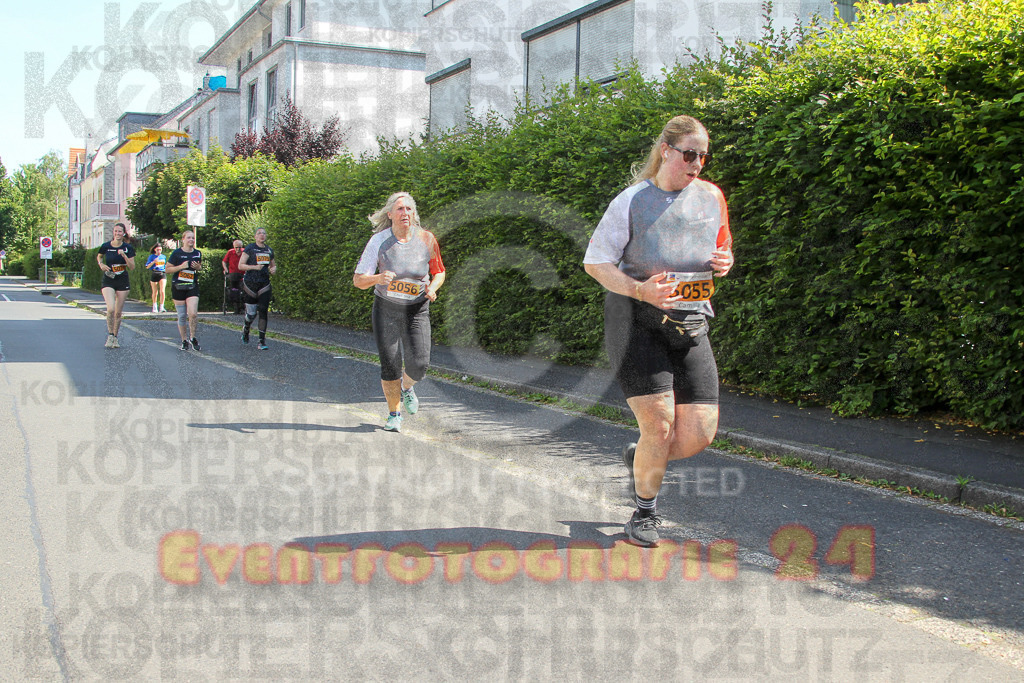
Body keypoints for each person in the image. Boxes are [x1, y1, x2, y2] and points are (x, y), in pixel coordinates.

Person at [583, 115, 734, 547]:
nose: (697, 163)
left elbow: (723, 249)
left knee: (699, 434)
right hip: (634, 321)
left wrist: (726, 262)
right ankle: (644, 514)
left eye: (703, 155)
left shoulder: (711, 197)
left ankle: (641, 456)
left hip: (691, 322)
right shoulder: (631, 201)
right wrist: (639, 290)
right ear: (666, 151)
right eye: (689, 153)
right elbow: (595, 263)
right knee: (661, 425)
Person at [353, 192, 446, 433]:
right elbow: (358, 281)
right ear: (390, 214)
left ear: (414, 214)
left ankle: (407, 388)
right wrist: (378, 278)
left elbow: (439, 272)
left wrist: (433, 288)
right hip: (387, 309)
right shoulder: (378, 242)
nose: (405, 213)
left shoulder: (427, 239)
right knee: (390, 365)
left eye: (409, 209)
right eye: (400, 209)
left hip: (416, 308)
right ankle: (394, 414)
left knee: (420, 363)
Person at [96, 222, 136, 348]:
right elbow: (99, 257)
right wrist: (101, 264)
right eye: (116, 231)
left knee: (118, 312)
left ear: (124, 233)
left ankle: (115, 337)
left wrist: (124, 256)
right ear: (113, 232)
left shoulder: (128, 248)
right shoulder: (106, 246)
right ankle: (109, 335)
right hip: (109, 279)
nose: (118, 234)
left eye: (120, 231)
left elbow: (132, 267)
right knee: (111, 309)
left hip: (122, 280)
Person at [238, 228, 276, 350]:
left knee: (264, 310)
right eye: (259, 233)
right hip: (250, 284)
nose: (262, 235)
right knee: (251, 314)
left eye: (264, 233)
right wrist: (254, 267)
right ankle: (246, 328)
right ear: (255, 236)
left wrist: (274, 269)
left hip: (264, 284)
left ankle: (261, 341)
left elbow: (273, 265)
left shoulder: (269, 250)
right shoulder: (250, 248)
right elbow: (241, 265)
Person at [165, 229, 203, 351]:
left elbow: (199, 267)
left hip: (192, 286)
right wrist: (181, 267)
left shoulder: (197, 253)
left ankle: (193, 337)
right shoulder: (176, 253)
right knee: (182, 315)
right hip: (178, 286)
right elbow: (167, 269)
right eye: (189, 238)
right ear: (183, 240)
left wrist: (198, 268)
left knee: (193, 314)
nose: (191, 240)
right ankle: (184, 340)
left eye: (193, 238)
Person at [222, 239, 245, 314]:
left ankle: (243, 307)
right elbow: (224, 261)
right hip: (233, 275)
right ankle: (236, 308)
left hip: (243, 275)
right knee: (234, 290)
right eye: (236, 247)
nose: (238, 249)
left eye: (239, 247)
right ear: (234, 247)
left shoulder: (245, 252)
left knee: (243, 290)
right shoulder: (230, 252)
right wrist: (225, 269)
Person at [145, 243, 167, 313]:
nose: (159, 251)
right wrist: (153, 262)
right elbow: (147, 266)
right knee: (155, 291)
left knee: (162, 291)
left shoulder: (163, 256)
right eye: (157, 250)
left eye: (160, 250)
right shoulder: (151, 256)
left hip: (162, 273)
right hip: (155, 273)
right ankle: (154, 307)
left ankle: (162, 307)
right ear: (155, 250)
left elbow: (165, 265)